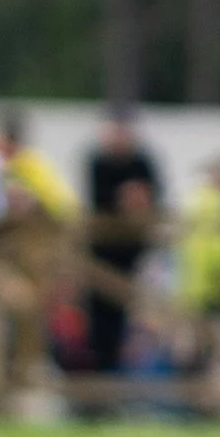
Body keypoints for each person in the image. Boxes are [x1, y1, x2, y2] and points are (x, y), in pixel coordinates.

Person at [85, 105, 165, 375]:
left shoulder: (142, 162)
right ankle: (100, 375)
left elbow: (154, 197)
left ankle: (121, 376)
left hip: (134, 250)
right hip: (103, 252)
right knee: (100, 318)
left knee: (134, 318)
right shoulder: (97, 161)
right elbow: (99, 201)